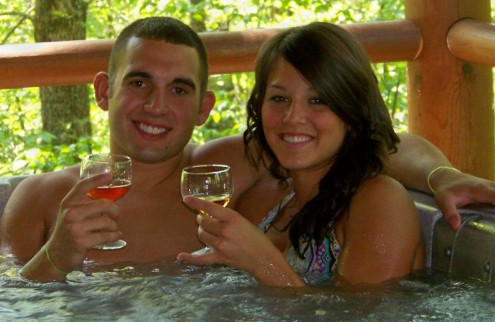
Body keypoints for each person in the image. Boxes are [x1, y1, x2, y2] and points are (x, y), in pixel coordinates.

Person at [0, 17, 495, 282]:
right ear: (102, 91)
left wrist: (440, 176)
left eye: (178, 90)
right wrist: (55, 257)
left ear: (203, 108)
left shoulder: (223, 173)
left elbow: (362, 141)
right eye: (138, 83)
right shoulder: (40, 200)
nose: (156, 106)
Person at [179, 22, 423, 286]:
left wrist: (263, 263)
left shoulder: (380, 201)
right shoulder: (274, 201)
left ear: (352, 111)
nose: (292, 117)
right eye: (279, 99)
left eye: (318, 101)